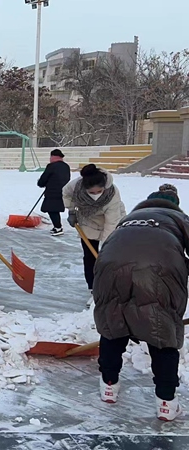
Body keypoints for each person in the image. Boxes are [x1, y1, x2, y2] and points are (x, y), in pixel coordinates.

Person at [92, 188, 189, 421]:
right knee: (161, 330)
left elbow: (114, 247)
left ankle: (109, 386)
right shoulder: (180, 219)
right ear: (175, 204)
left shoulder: (129, 219)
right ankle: (166, 402)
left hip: (109, 267)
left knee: (113, 323)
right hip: (158, 271)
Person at [62, 164, 125, 293]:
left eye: (99, 191)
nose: (95, 195)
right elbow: (66, 194)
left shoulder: (112, 195)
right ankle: (93, 287)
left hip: (110, 220)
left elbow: (111, 223)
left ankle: (111, 285)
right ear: (84, 188)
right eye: (91, 192)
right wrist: (72, 211)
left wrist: (106, 247)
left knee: (109, 256)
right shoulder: (75, 186)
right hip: (87, 220)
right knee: (90, 256)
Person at [37, 149, 71, 236]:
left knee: (52, 210)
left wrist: (41, 183)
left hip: (52, 191)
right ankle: (57, 227)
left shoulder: (51, 166)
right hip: (63, 191)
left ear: (52, 157)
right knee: (55, 210)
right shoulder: (66, 166)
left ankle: (58, 228)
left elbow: (44, 178)